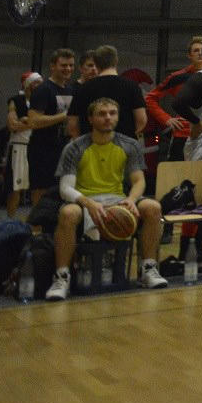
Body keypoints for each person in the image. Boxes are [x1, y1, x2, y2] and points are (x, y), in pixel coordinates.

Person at [36, 98, 167, 298]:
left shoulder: (129, 145)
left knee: (152, 207)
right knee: (67, 213)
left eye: (112, 113)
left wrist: (131, 199)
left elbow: (139, 181)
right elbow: (65, 189)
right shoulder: (75, 147)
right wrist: (88, 203)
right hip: (85, 199)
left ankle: (147, 268)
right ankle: (62, 277)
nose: (108, 118)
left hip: (118, 198)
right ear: (90, 119)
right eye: (102, 114)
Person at [24, 49, 77, 204]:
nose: (68, 69)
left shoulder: (70, 89)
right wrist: (64, 115)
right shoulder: (43, 89)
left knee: (63, 188)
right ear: (53, 66)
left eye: (71, 65)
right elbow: (33, 121)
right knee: (41, 190)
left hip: (64, 147)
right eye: (64, 65)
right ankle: (38, 226)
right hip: (43, 149)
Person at [65, 45, 147, 142]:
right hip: (123, 147)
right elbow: (141, 121)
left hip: (91, 147)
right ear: (116, 61)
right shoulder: (132, 86)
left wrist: (82, 144)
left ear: (97, 63)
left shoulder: (83, 88)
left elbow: (72, 125)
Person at [3, 73, 38, 219]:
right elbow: (12, 125)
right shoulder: (15, 101)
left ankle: (38, 221)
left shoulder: (42, 101)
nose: (41, 84)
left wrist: (26, 121)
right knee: (15, 189)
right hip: (19, 146)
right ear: (29, 84)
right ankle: (10, 221)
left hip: (37, 146)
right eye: (38, 82)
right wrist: (32, 123)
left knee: (38, 187)